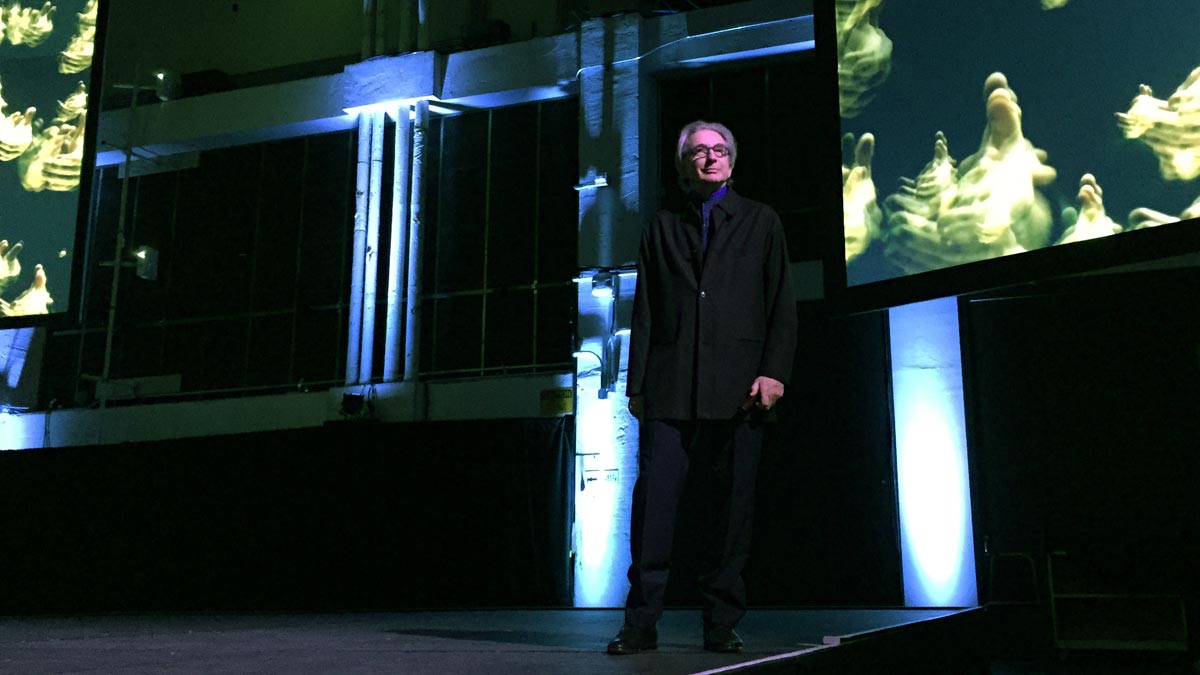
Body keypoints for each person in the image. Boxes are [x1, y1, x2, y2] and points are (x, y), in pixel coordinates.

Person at [607, 120, 797, 655]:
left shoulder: (761, 222)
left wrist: (774, 370)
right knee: (654, 511)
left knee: (730, 514)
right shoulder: (662, 225)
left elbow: (782, 301)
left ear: (732, 163)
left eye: (719, 150)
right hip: (669, 390)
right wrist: (636, 384)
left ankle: (720, 623)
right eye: (698, 151)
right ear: (683, 163)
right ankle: (640, 623)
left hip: (741, 391)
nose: (709, 158)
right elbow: (643, 311)